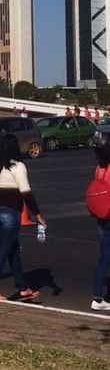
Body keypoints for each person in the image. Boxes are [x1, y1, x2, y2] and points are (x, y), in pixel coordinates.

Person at [0, 134, 47, 301]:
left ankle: (23, 287)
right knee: (4, 251)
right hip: (11, 212)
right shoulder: (18, 166)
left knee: (13, 250)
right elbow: (26, 192)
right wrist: (38, 215)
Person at [90, 132, 110, 311]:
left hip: (101, 216)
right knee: (106, 257)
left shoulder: (99, 168)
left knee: (104, 257)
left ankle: (98, 294)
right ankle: (97, 297)